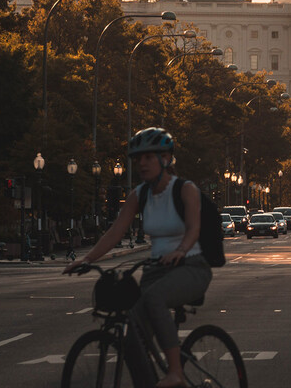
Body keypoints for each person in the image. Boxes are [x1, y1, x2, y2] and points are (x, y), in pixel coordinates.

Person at [66, 127, 211, 388]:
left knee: (154, 299)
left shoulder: (184, 189)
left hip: (190, 267)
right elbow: (115, 232)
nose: (141, 163)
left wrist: (180, 250)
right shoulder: (139, 194)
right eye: (138, 159)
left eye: (148, 157)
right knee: (131, 334)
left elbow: (194, 228)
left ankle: (176, 373)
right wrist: (87, 259)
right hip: (156, 270)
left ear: (165, 159)